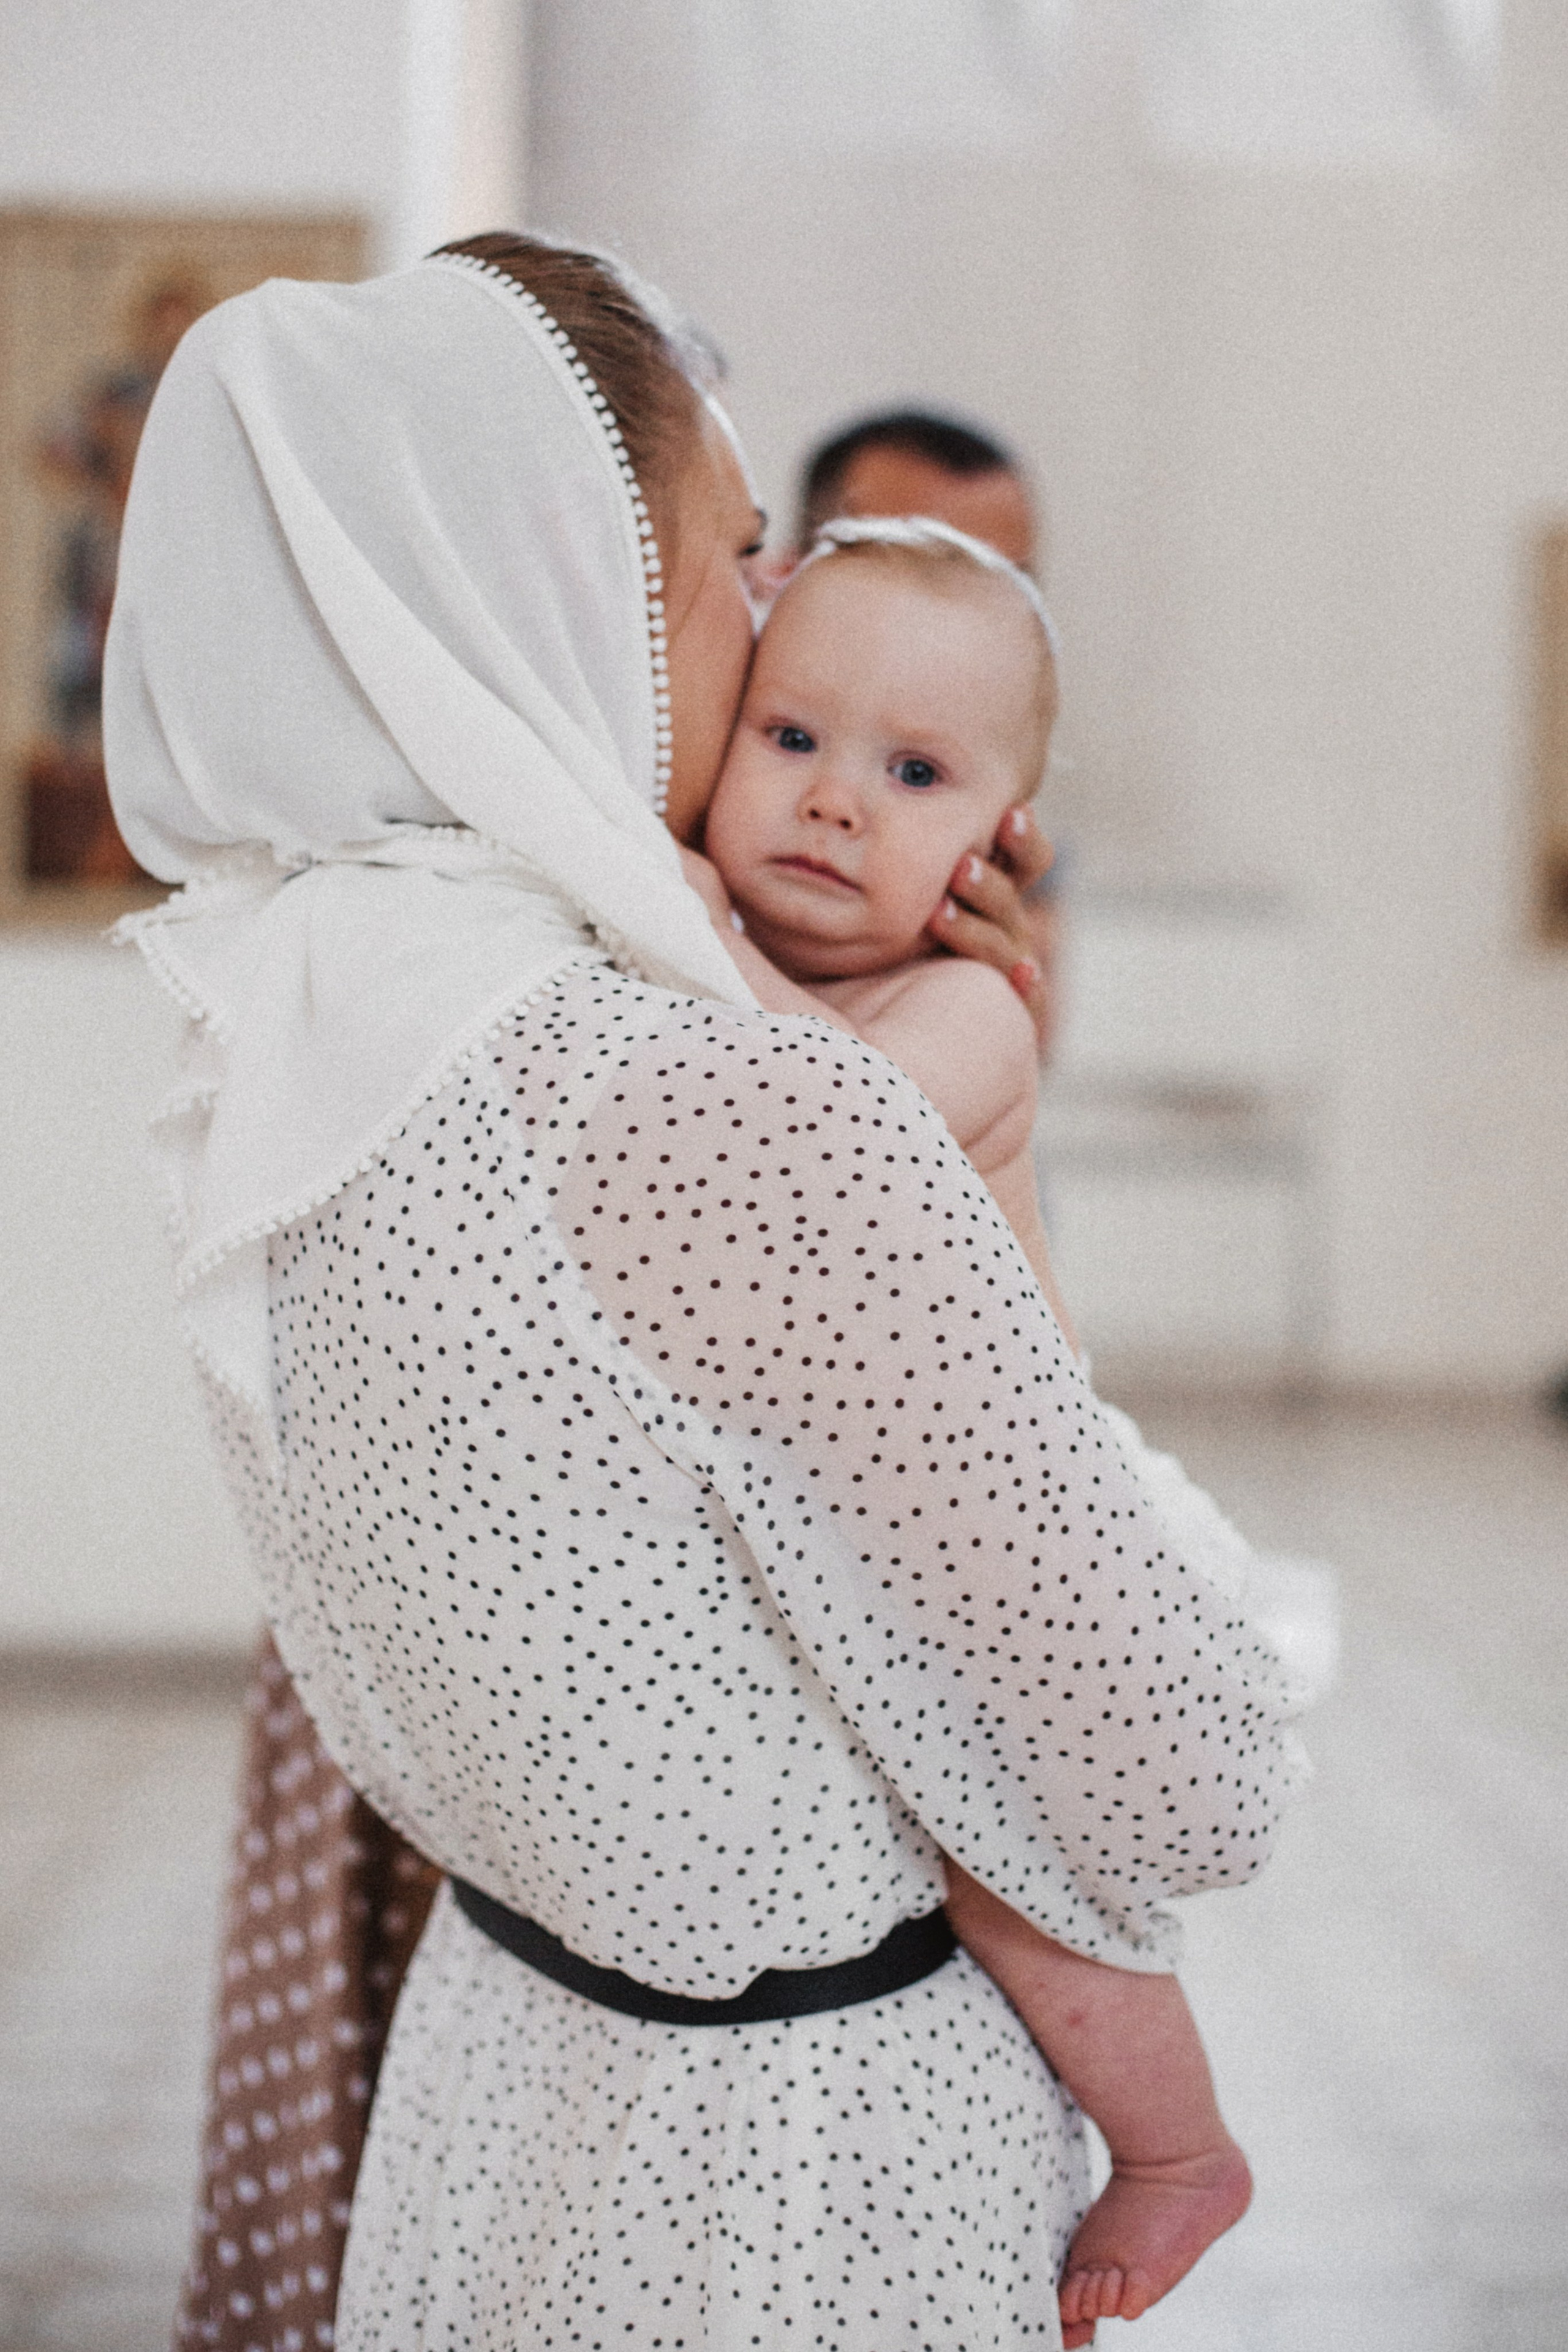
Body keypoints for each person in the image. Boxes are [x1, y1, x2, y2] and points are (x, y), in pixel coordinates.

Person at [112, 233, 1300, 2350]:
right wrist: (962, 1166)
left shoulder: (288, 1001)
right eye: (731, 563)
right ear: (570, 580)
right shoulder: (711, 1103)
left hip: (498, 2062)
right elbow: (1190, 1770)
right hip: (799, 2166)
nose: (765, 629)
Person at [687, 513, 1258, 2330]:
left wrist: (691, 933)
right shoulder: (744, 974)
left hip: (1003, 1538)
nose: (835, 802)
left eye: (912, 770)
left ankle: (1177, 2149)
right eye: (789, 741)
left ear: (1003, 837)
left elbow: (812, 1137)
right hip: (846, 1514)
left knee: (1001, 1854)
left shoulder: (965, 1012)